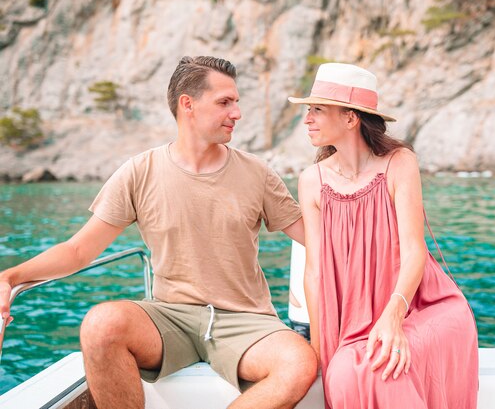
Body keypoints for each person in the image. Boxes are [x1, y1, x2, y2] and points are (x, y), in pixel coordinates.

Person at [0, 56, 318, 409]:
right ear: (188, 104)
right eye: (225, 102)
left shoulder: (257, 173)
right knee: (100, 323)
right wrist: (10, 277)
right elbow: (78, 251)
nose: (237, 113)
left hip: (245, 320)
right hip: (169, 318)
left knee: (299, 363)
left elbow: (316, 239)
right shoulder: (139, 171)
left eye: (237, 102)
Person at [292, 63, 479, 408]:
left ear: (351, 118)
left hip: (419, 308)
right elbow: (315, 272)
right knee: (344, 371)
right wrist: (319, 349)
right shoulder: (312, 181)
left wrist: (393, 317)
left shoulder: (399, 163)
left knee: (376, 367)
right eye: (308, 110)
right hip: (351, 315)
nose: (307, 119)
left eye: (317, 109)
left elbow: (413, 250)